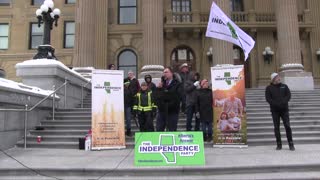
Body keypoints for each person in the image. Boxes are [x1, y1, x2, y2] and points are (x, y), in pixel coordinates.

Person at [265, 72, 295, 151]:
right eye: (277, 77)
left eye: (279, 77)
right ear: (273, 79)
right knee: (276, 127)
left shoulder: (284, 86)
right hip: (275, 111)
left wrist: (283, 102)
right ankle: (279, 144)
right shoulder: (269, 88)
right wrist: (276, 104)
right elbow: (268, 99)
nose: (279, 78)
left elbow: (288, 95)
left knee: (287, 126)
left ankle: (291, 144)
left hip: (284, 110)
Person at [154, 67, 183, 131]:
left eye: (166, 72)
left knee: (172, 129)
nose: (164, 74)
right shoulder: (161, 84)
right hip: (162, 111)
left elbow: (177, 97)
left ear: (171, 73)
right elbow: (156, 97)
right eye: (164, 72)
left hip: (172, 111)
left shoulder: (177, 84)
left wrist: (166, 94)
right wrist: (159, 89)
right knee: (159, 129)